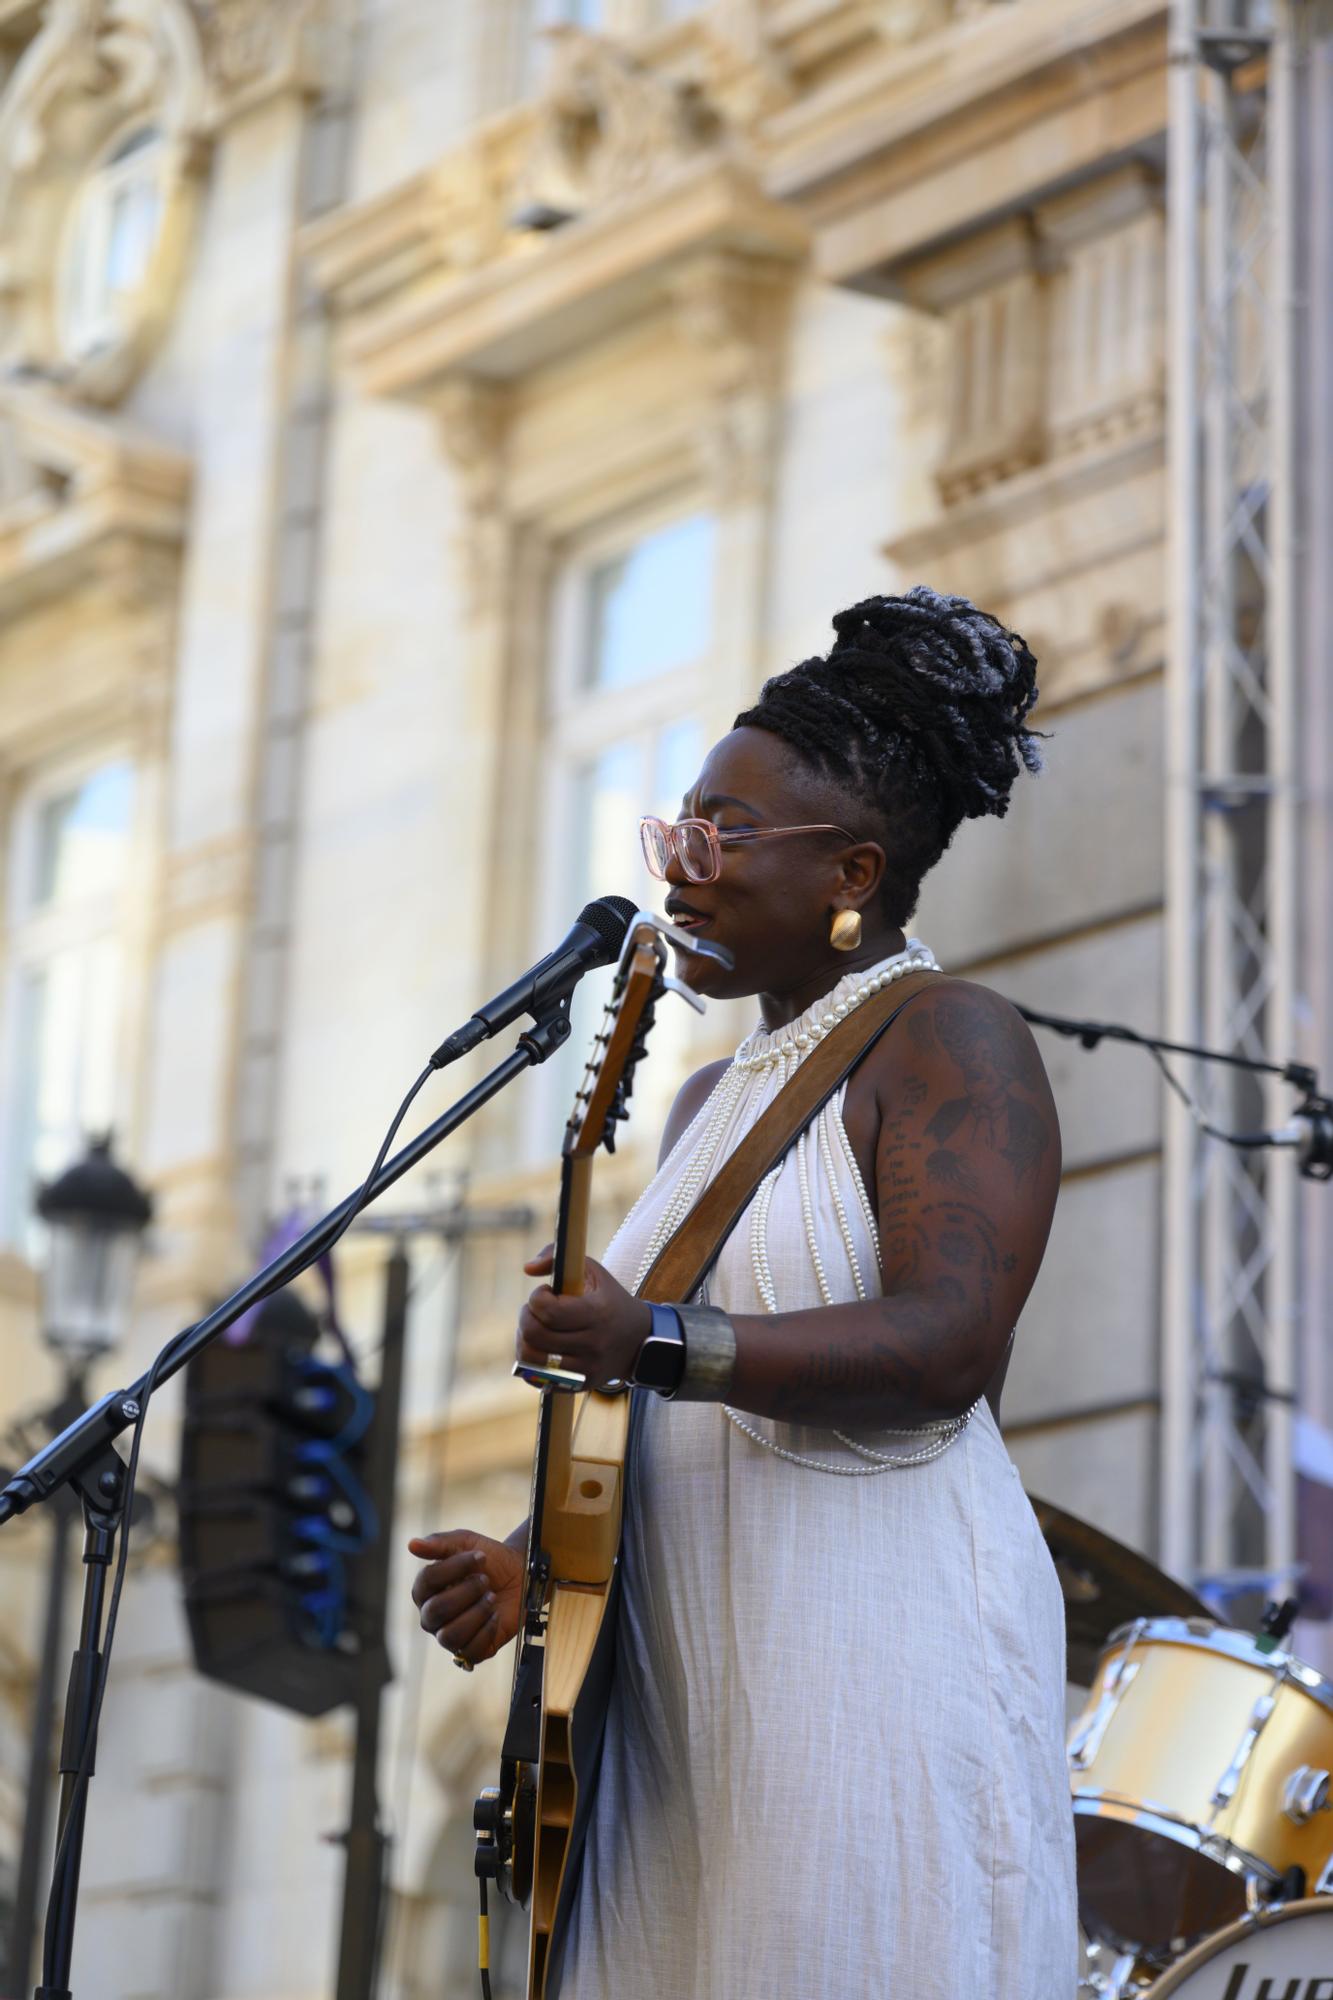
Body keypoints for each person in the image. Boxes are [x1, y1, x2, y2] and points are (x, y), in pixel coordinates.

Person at [410, 586, 1078, 1998]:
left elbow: (944, 1343)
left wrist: (644, 1330)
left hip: (868, 1653)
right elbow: (663, 1409)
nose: (682, 867)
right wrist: (535, 1554)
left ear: (849, 872)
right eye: (678, 831)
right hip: (677, 1693)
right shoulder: (708, 1098)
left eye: (722, 835)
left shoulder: (950, 1039)